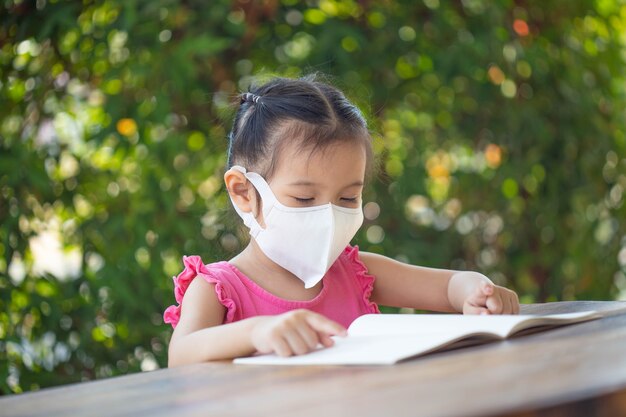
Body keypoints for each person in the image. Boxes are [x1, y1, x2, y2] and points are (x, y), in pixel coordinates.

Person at [164, 75, 519, 367]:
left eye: (348, 198)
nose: (328, 216)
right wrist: (257, 332)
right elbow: (181, 355)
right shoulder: (218, 290)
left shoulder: (356, 272)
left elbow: (449, 287)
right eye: (304, 198)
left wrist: (476, 290)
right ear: (243, 191)